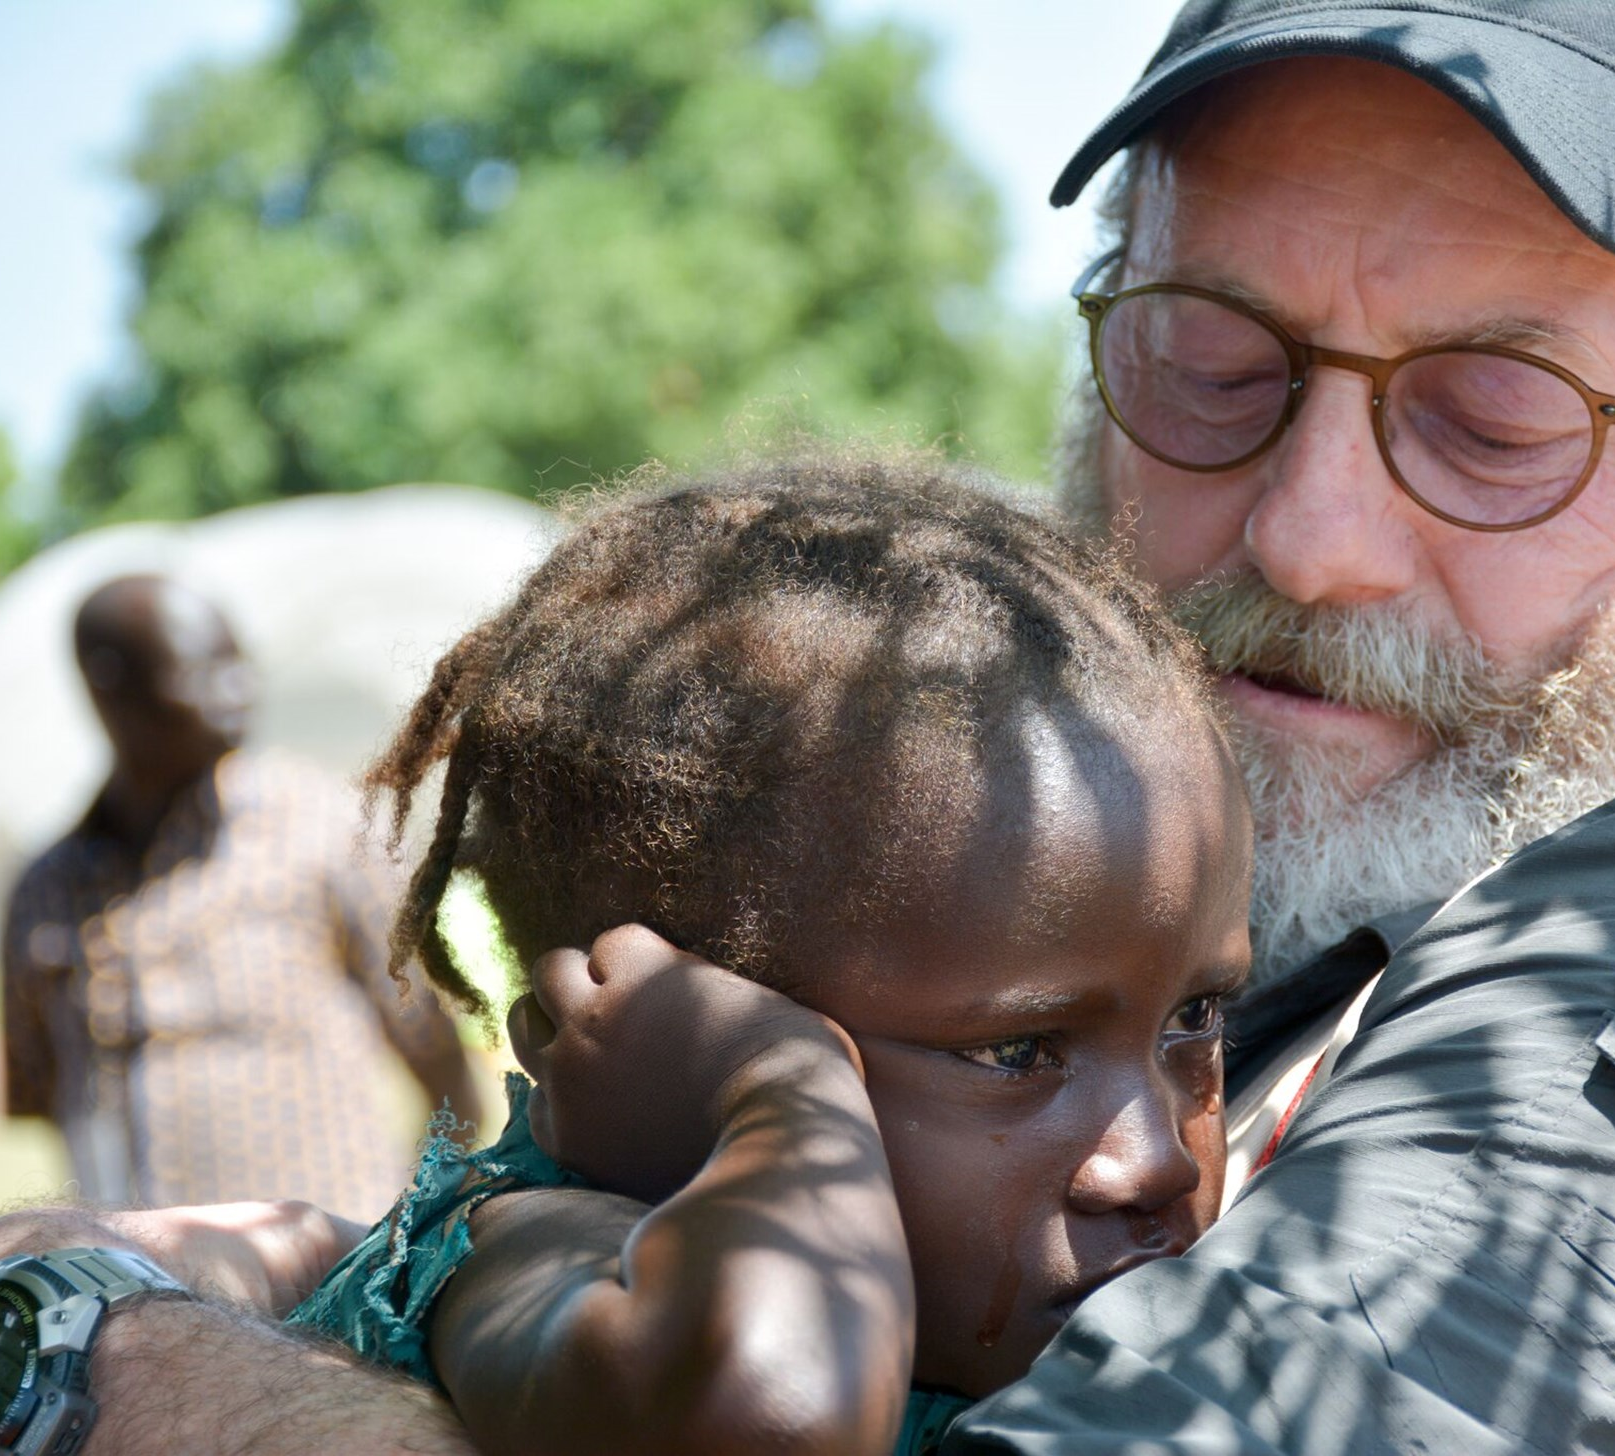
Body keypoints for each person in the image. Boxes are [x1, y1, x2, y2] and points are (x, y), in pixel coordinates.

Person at [0, 1, 1615, 1451]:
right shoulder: (1168, 978)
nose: (1313, 533)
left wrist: (102, 1359)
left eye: (1500, 415)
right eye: (1207, 360)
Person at [283, 458, 1250, 1456]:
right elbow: (777, 1405)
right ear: (636, 1042)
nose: (1158, 1160)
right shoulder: (525, 1245)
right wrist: (779, 1081)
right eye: (1017, 1051)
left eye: (1195, 1016)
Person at [0, 574, 482, 1219]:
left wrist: (414, 1230)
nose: (241, 691)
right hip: (145, 1297)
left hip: (324, 1288)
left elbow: (436, 1052)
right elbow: (45, 1097)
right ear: (107, 685)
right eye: (204, 670)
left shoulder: (320, 827)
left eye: (240, 664)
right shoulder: (46, 892)